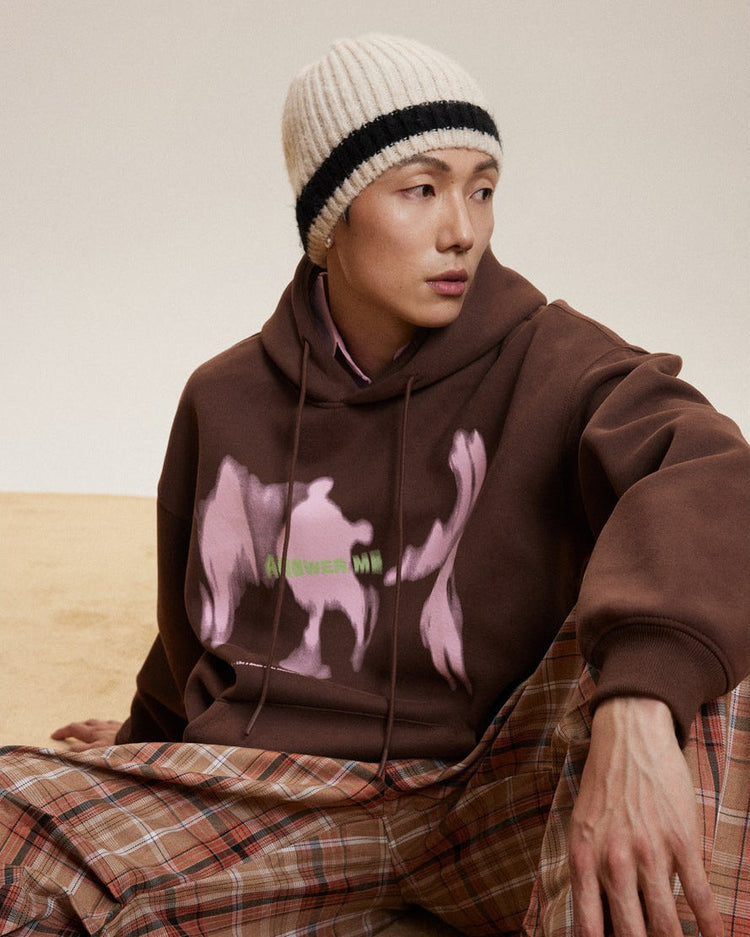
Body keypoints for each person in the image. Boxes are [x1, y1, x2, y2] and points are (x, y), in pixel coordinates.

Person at [2, 33, 749, 937]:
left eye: (482, 189)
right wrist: (138, 751)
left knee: (707, 666)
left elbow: (712, 469)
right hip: (286, 799)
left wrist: (639, 702)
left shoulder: (558, 362)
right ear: (332, 215)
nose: (461, 229)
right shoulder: (223, 398)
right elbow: (198, 616)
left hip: (498, 792)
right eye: (421, 189)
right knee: (11, 814)